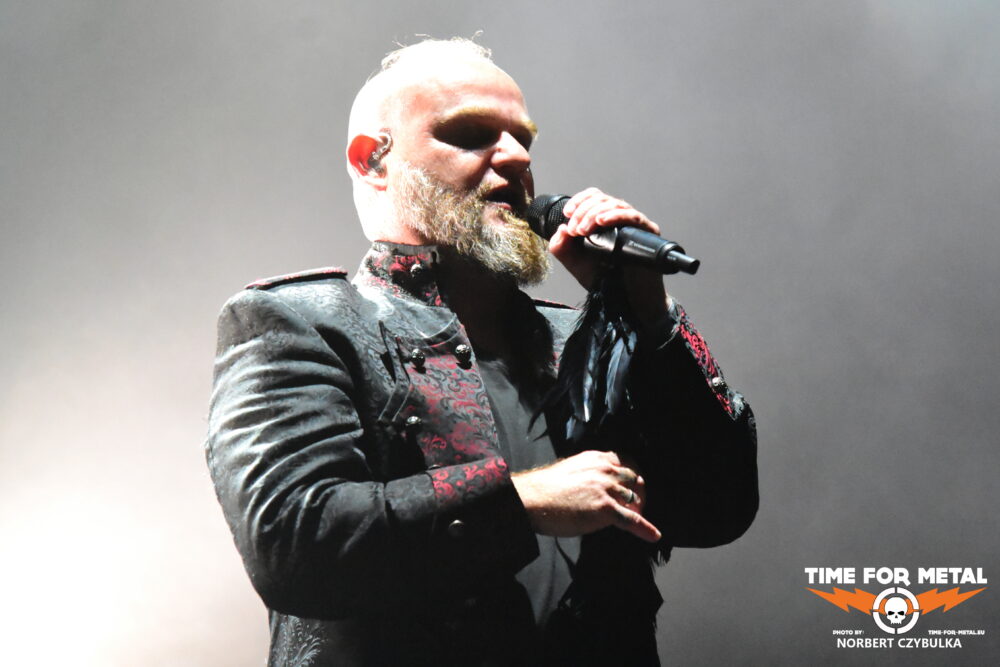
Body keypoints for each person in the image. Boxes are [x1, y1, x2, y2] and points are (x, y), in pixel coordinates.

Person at [206, 38, 758, 667]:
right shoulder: (301, 323)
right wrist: (523, 502)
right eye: (470, 134)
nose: (517, 157)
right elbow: (294, 542)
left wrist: (648, 319)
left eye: (523, 139)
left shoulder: (578, 340)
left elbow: (719, 508)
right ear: (372, 161)